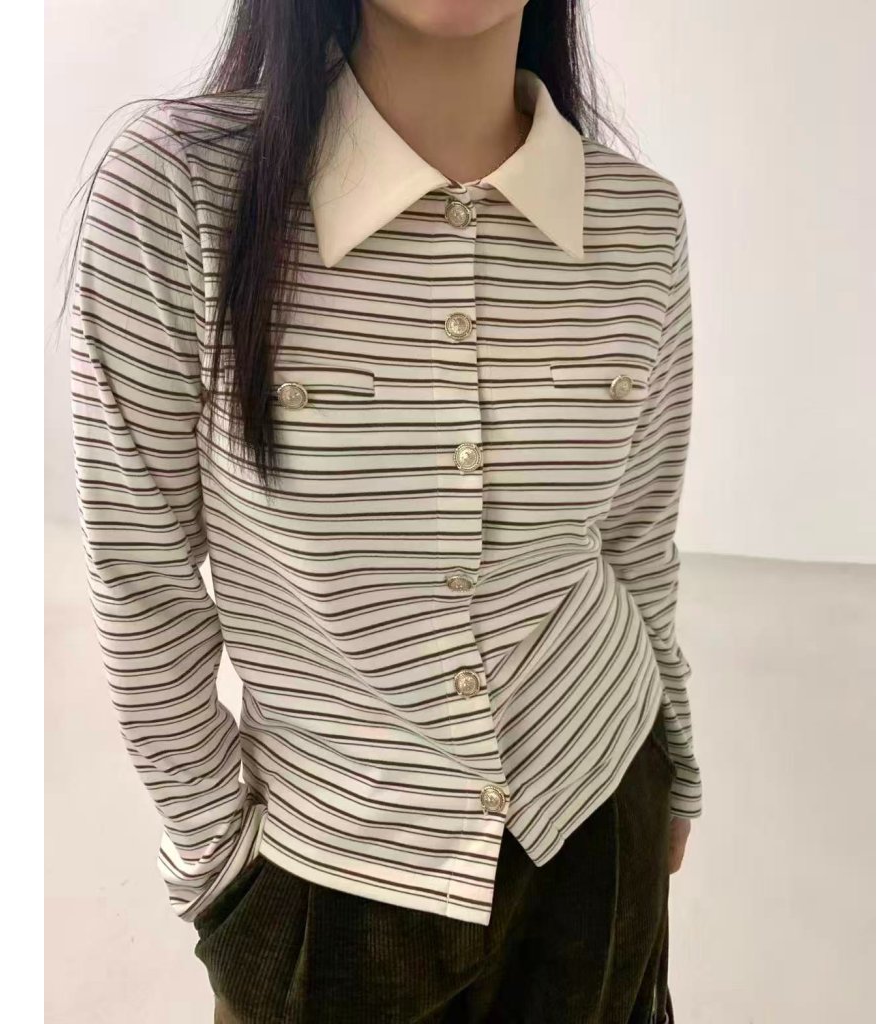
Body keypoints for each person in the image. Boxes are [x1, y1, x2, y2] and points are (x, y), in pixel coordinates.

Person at [67, 1, 699, 1021]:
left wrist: (680, 769)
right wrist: (221, 876)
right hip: (328, 872)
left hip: (600, 809)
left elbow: (637, 535)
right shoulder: (179, 190)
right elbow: (143, 577)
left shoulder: (639, 220)